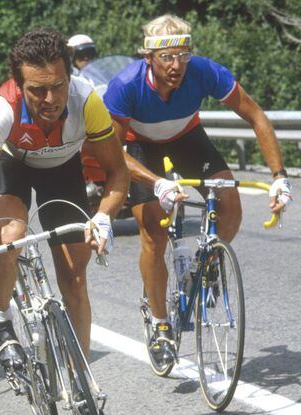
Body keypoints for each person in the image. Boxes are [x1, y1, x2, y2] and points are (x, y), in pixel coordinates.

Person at [102, 14, 292, 362]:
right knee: (153, 233)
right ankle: (160, 324)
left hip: (187, 139)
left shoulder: (204, 71)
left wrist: (279, 176)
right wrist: (157, 183)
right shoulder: (125, 86)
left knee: (230, 202)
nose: (177, 66)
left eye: (183, 56)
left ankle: (209, 264)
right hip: (140, 147)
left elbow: (256, 116)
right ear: (148, 58)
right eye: (167, 57)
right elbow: (112, 154)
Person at [0, 28, 129, 372]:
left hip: (62, 170)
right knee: (9, 240)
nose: (50, 99)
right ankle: (1, 322)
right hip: (13, 165)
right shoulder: (2, 108)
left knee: (75, 277)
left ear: (70, 76)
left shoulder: (88, 101)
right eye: (37, 89)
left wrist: (105, 216)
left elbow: (117, 173)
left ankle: (82, 380)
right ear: (20, 86)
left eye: (58, 85)